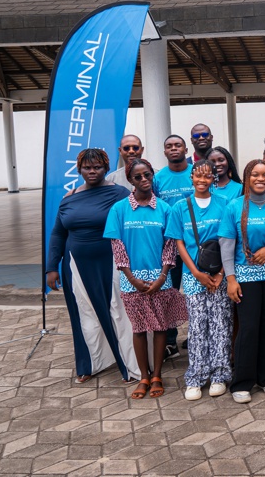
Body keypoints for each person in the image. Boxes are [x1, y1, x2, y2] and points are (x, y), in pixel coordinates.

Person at [47, 148, 137, 384]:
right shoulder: (69, 198)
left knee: (119, 313)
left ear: (106, 168)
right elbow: (58, 233)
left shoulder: (120, 194)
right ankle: (91, 363)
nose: (92, 171)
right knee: (85, 314)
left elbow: (133, 227)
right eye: (87, 167)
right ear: (79, 170)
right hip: (77, 266)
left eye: (97, 167)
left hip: (113, 263)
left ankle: (130, 365)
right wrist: (51, 267)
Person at [104, 158, 187, 399]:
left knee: (160, 328)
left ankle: (158, 375)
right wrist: (132, 278)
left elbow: (170, 246)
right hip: (132, 280)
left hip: (160, 278)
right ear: (130, 180)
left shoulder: (165, 209)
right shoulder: (119, 209)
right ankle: (143, 376)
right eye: (138, 176)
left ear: (153, 175)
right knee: (139, 329)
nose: (144, 180)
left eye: (147, 175)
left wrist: (162, 276)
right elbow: (117, 247)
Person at [219, 159, 265, 403]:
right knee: (248, 328)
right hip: (245, 275)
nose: (261, 179)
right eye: (255, 175)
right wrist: (231, 279)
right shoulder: (234, 207)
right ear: (247, 178)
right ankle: (242, 381)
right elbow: (226, 246)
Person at [165, 161, 231, 401]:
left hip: (219, 275)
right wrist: (196, 273)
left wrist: (221, 273)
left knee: (220, 326)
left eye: (207, 176)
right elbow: (179, 243)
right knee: (197, 327)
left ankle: (219, 375)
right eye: (198, 175)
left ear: (214, 178)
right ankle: (196, 377)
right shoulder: (180, 207)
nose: (202, 180)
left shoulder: (224, 204)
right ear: (191, 177)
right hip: (193, 276)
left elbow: (228, 239)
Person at [152, 135, 194, 360]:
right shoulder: (158, 179)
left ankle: (197, 337)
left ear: (186, 149)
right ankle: (170, 342)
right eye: (169, 146)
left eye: (178, 145)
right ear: (164, 152)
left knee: (197, 293)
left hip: (196, 245)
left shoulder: (196, 172)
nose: (174, 149)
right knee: (169, 293)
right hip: (169, 246)